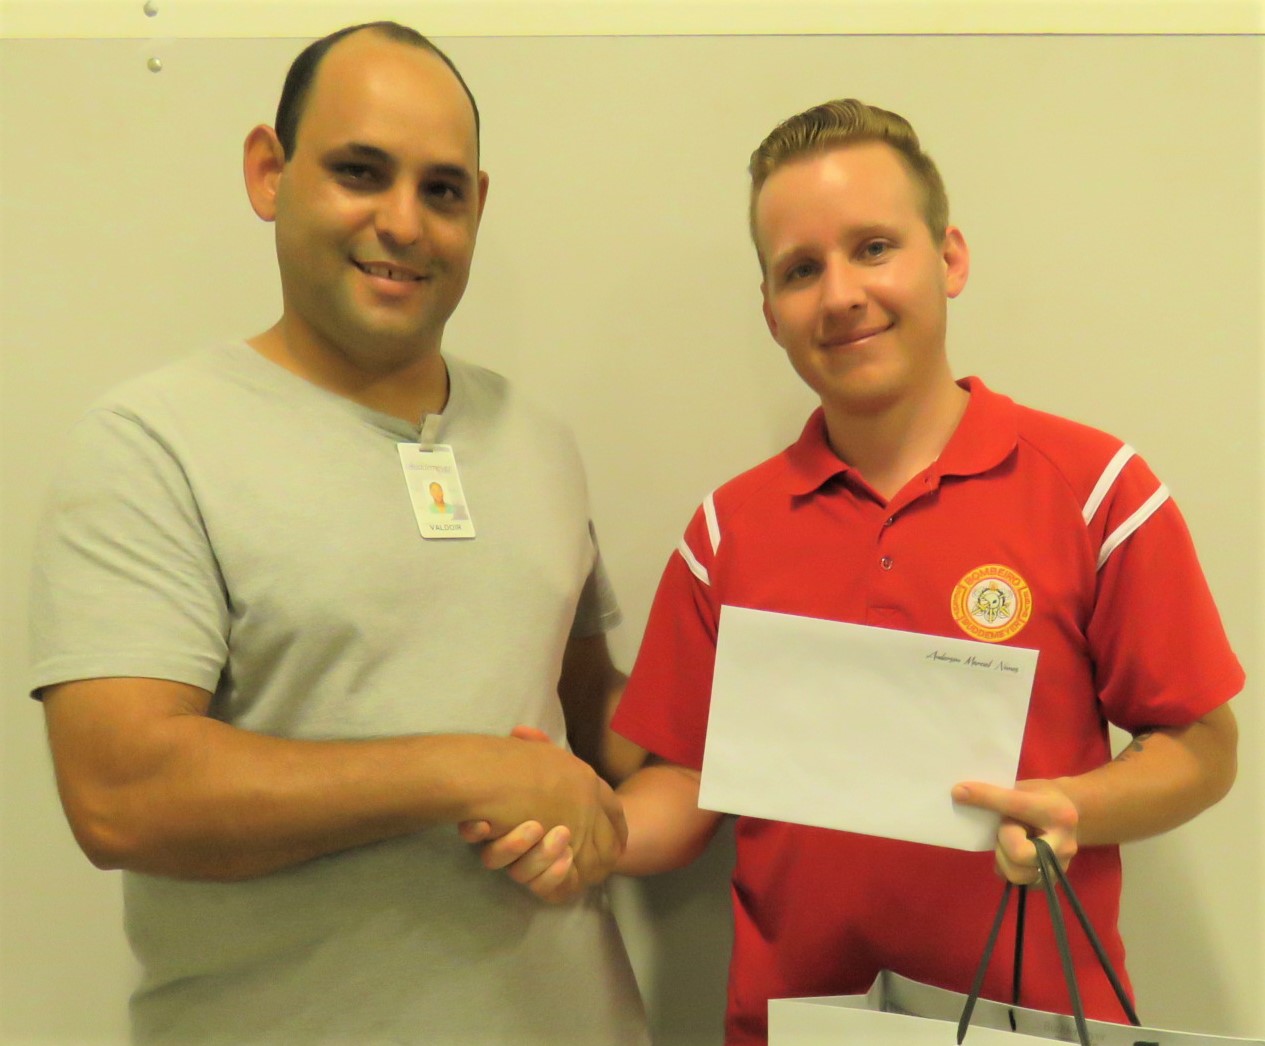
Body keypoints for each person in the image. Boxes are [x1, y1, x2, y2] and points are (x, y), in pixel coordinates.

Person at [472, 99, 1242, 1045]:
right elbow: (688, 779)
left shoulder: (1097, 491)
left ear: (948, 258)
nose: (840, 295)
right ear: (770, 311)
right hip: (792, 1026)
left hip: (1033, 1026)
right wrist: (594, 831)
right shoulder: (727, 534)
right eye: (801, 269)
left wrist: (1074, 805)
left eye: (873, 248)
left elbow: (1202, 746)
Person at [28, 22, 647, 1045]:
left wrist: (781, 732)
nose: (402, 222)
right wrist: (465, 770)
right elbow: (119, 794)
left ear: (477, 205)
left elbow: (587, 714)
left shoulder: (538, 441)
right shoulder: (150, 442)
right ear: (268, 172)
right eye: (360, 172)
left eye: (441, 190)